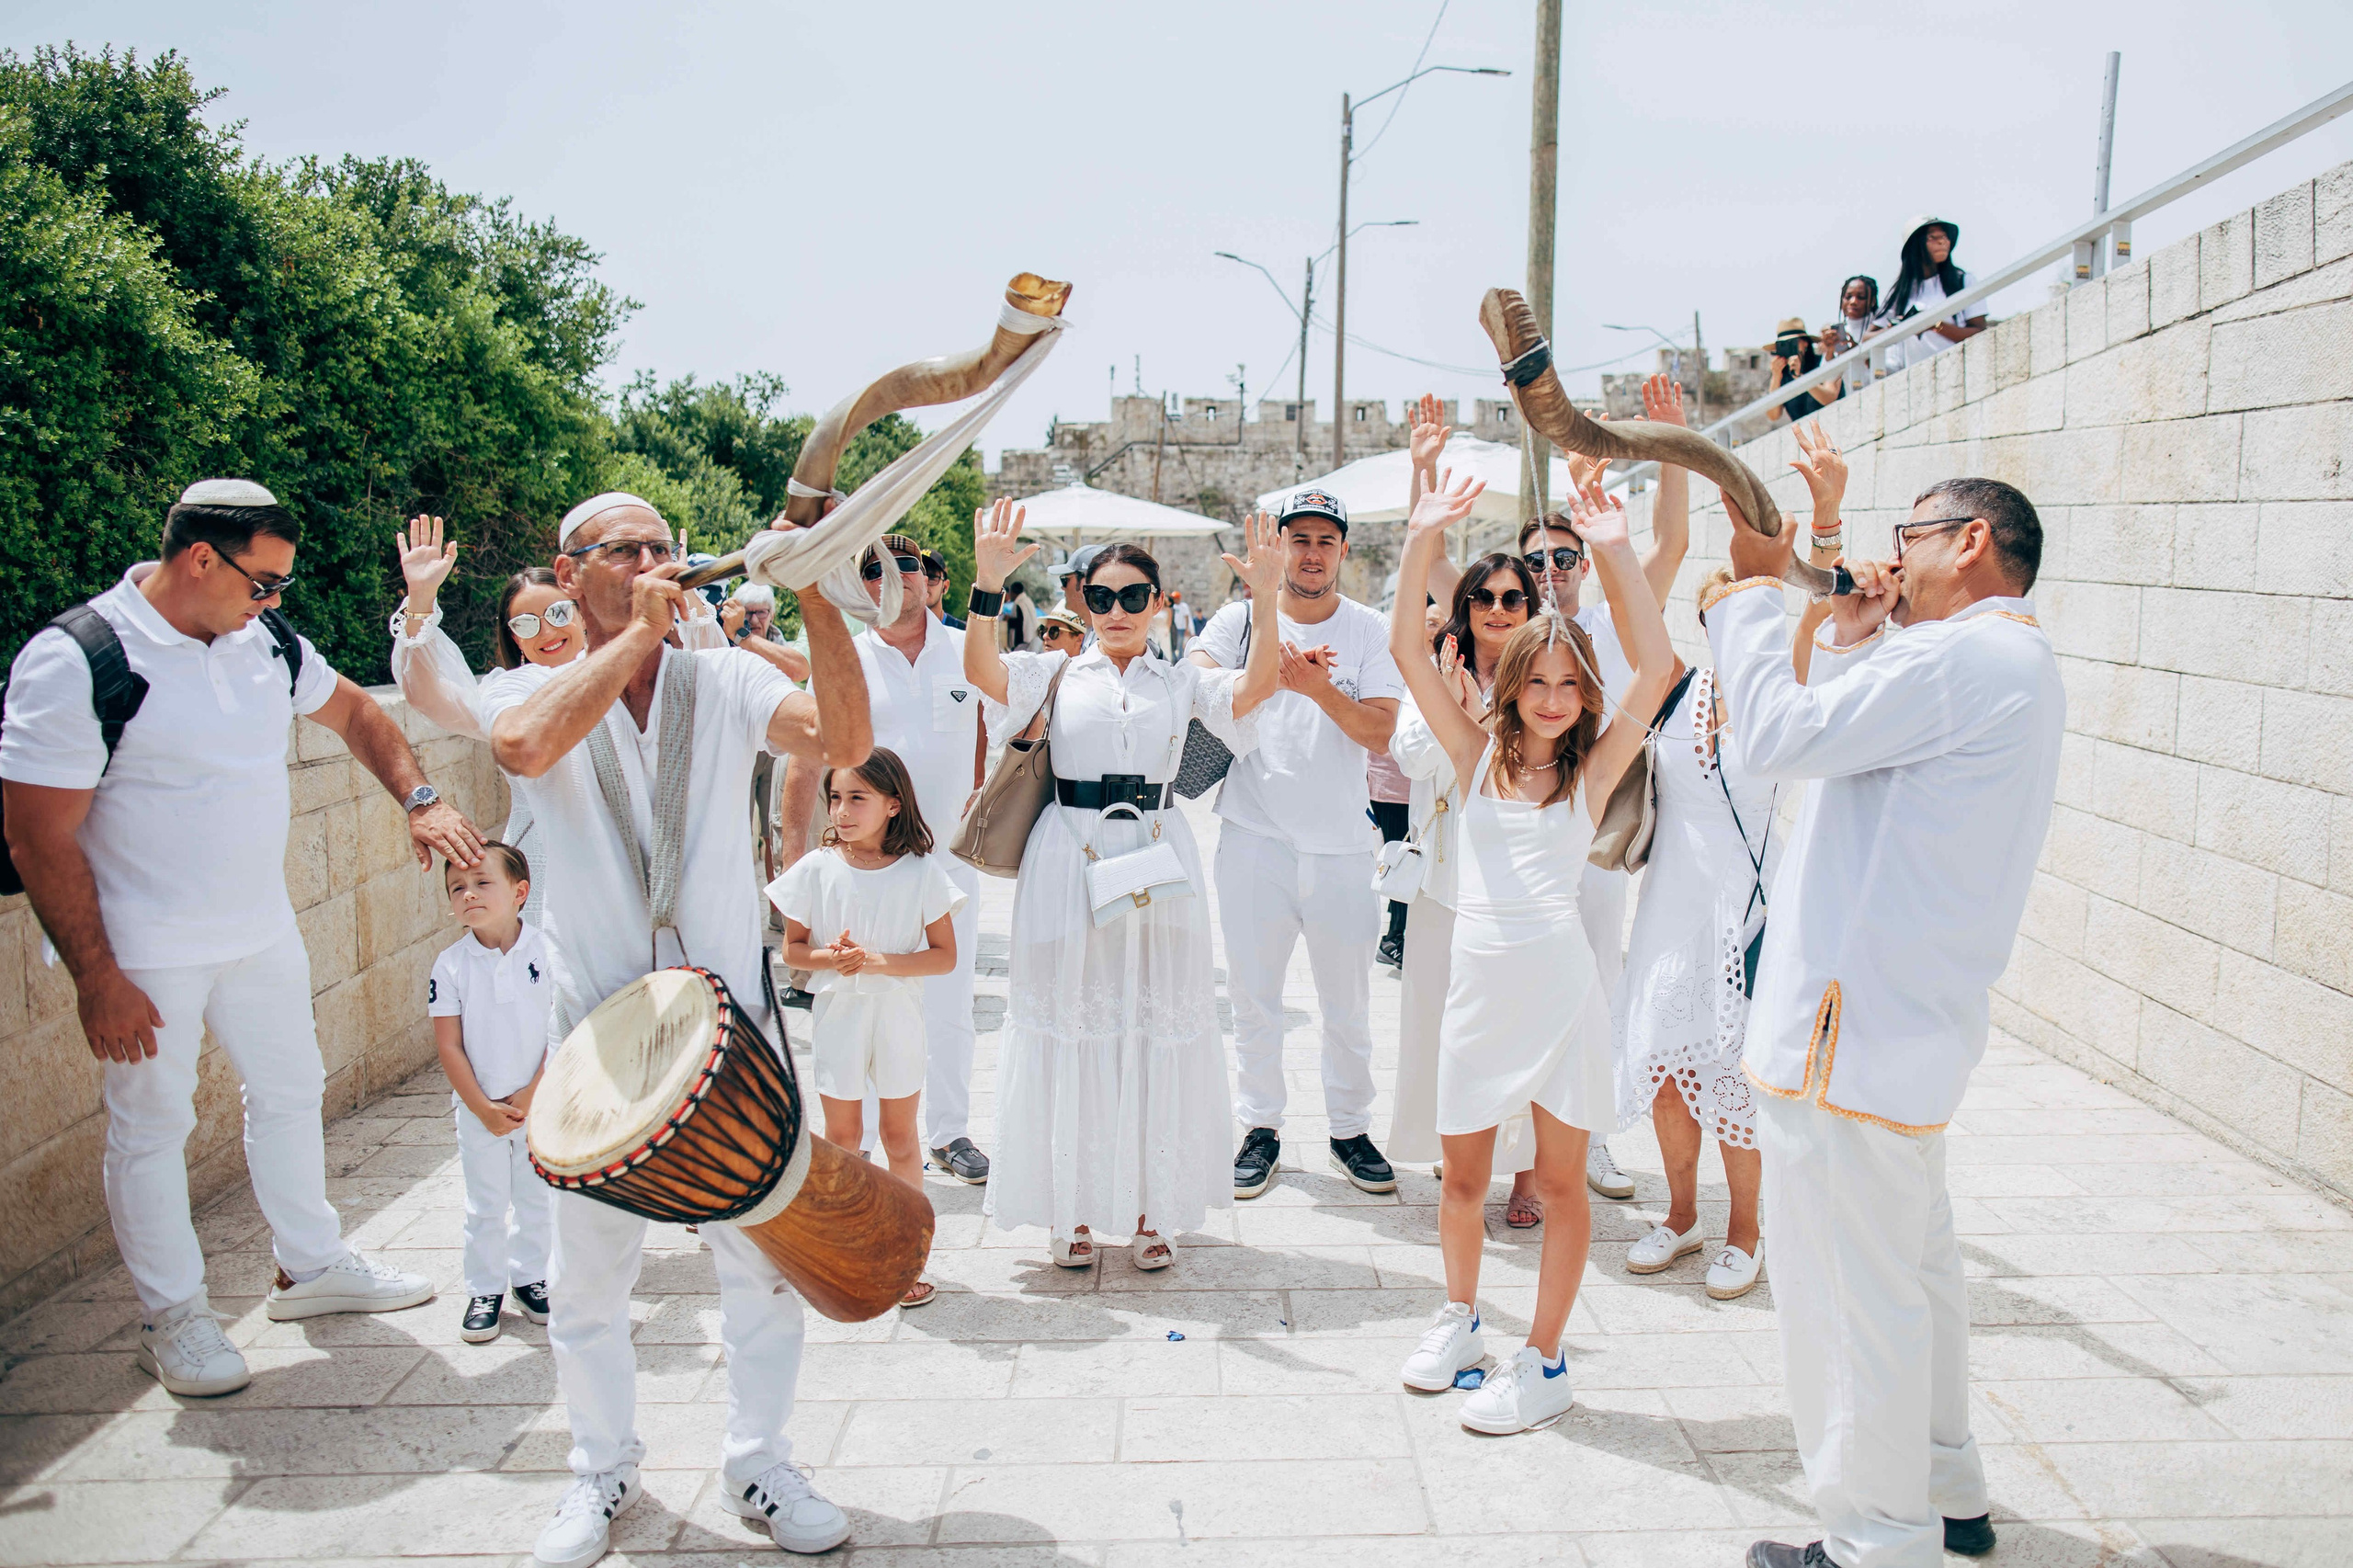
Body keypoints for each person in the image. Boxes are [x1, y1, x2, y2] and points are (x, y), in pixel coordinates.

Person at [0, 480, 471, 1398]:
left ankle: (310, 1263)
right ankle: (172, 1317)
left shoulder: (265, 642)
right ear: (200, 558)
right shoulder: (79, 657)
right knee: (152, 1125)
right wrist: (99, 976)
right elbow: (36, 833)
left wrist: (420, 797)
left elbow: (361, 714)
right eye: (264, 583)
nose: (276, 603)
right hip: (144, 949)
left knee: (293, 1088)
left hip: (260, 928)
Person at [484, 490, 871, 1567]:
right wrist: (639, 636)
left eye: (664, 546)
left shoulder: (727, 674)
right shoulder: (536, 683)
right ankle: (598, 1471)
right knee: (592, 1275)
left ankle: (759, 1458)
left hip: (729, 1029)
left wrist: (817, 592)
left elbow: (845, 738)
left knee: (756, 1261)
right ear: (571, 575)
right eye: (625, 549)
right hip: (599, 1038)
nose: (655, 559)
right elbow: (519, 746)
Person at [1716, 477, 2063, 1568]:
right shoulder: (2003, 660)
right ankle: (1946, 1491)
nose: (1888, 556)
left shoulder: (1959, 657)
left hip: (1845, 1042)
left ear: (1968, 542)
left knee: (1846, 1304)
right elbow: (1863, 762)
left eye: (1905, 537)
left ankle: (1874, 1542)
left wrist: (1750, 598)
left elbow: (1776, 731)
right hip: (1900, 1037)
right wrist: (1856, 637)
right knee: (1914, 1281)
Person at [1388, 472, 1675, 1434]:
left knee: (1556, 1183)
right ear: (1512, 683)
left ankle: (1545, 1358)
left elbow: (1659, 664)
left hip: (1559, 994)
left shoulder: (1592, 774)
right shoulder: (1472, 755)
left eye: (1569, 683)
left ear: (1584, 692)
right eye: (1538, 681)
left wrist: (1617, 548)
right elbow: (1404, 647)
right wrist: (1422, 537)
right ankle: (1461, 1316)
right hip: (1477, 990)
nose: (1553, 698)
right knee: (1462, 1180)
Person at [963, 501, 1282, 1271]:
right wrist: (984, 583)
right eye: (1100, 597)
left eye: (1132, 596)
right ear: (1081, 602)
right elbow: (980, 671)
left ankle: (1150, 1207)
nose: (1115, 611)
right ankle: (1068, 1210)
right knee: (1068, 1024)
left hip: (1155, 853)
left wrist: (1266, 600)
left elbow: (1257, 689)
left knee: (1150, 1026)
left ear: (1159, 603)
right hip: (1066, 855)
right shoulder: (1052, 672)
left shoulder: (1181, 682)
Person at [1190, 487, 1405, 1200]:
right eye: (1299, 540)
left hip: (1343, 844)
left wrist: (1315, 688)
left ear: (1344, 551)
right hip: (1254, 837)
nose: (1311, 555)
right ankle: (1261, 1128)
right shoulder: (1239, 618)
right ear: (1278, 547)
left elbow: (1382, 732)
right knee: (1255, 997)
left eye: (1324, 541)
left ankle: (1349, 1129)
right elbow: (1195, 683)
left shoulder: (1368, 629)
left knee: (1347, 1003)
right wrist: (1259, 674)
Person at [1516, 372, 1691, 1205]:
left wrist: (1673, 448)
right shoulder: (1513, 642)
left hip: (1595, 842)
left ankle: (1591, 1139)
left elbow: (1672, 545)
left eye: (1561, 556)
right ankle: (1520, 1134)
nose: (1549, 570)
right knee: (1524, 980)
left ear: (1582, 559)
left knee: (1597, 981)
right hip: (1523, 838)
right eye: (1534, 561)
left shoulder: (1622, 624)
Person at [769, 748, 963, 1310]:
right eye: (835, 797)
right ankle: (847, 1252)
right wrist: (838, 958)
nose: (843, 810)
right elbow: (794, 951)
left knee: (902, 1138)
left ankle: (906, 1257)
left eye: (858, 797)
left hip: (898, 1015)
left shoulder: (922, 871)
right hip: (839, 1016)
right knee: (844, 1139)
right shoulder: (816, 870)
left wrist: (880, 962)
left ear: (893, 804)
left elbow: (944, 956)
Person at [1386, 553, 1535, 1220]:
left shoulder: (1549, 675)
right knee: (1440, 1027)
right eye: (1484, 599)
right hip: (1445, 882)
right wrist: (1456, 705)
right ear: (1465, 608)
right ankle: (1462, 1163)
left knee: (1522, 1026)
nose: (1498, 611)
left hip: (1523, 883)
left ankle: (1527, 1173)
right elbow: (1413, 757)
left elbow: (1545, 761)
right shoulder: (1438, 674)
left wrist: (1478, 720)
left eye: (1512, 599)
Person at [846, 531, 992, 1185]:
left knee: (951, 1002)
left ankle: (949, 1133)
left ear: (930, 580)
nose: (896, 576)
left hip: (951, 859)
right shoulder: (846, 659)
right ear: (864, 587)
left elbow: (1005, 732)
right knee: (872, 1007)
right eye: (877, 568)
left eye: (908, 564)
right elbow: (818, 756)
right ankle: (878, 1145)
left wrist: (980, 809)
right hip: (869, 864)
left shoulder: (968, 651)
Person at [430, 840, 555, 1344]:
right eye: (458, 887)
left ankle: (531, 1279)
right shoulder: (450, 965)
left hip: (538, 1106)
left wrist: (531, 1096)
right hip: (478, 1110)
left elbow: (558, 1028)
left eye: (483, 882)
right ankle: (485, 1289)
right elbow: (450, 1046)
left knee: (537, 1197)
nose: (470, 894)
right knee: (485, 1203)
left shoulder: (548, 951)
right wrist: (481, 1107)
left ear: (520, 891)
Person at [1878, 216, 1985, 370]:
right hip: (1915, 376)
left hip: (1958, 369)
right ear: (1916, 245)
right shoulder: (1902, 290)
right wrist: (1896, 327)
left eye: (1944, 236)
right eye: (1932, 237)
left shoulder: (1963, 280)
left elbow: (1980, 331)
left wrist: (1933, 324)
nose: (1942, 241)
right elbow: (1869, 337)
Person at [1765, 317, 1836, 425]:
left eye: (1792, 343)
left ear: (1805, 343)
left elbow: (1829, 398)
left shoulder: (1823, 362)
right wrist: (1776, 376)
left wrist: (1800, 378)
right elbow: (1773, 415)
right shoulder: (1783, 376)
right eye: (1783, 344)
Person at [1827, 275, 1881, 394]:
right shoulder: (1838, 332)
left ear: (1872, 301)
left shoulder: (1880, 325)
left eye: (1861, 297)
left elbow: (1895, 367)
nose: (1853, 302)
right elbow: (1829, 382)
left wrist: (1859, 353)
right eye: (1848, 297)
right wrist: (1829, 351)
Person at [921, 548, 965, 630]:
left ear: (945, 586)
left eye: (932, 577)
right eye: (919, 577)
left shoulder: (963, 633)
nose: (924, 583)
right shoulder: (895, 634)